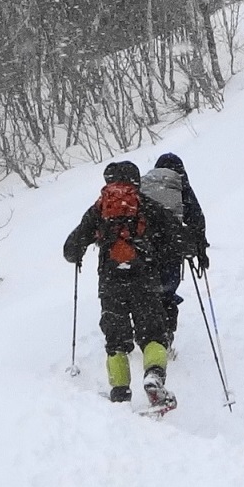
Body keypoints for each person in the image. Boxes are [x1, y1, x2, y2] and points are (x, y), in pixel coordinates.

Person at [63, 159, 187, 407]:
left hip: (111, 282)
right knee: (153, 335)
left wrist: (78, 253)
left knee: (116, 342)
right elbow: (177, 236)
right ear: (136, 181)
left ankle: (119, 394)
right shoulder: (146, 205)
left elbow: (70, 249)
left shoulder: (99, 209)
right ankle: (153, 376)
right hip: (144, 279)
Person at [137, 151, 209, 346]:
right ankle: (165, 338)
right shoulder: (179, 184)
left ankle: (145, 336)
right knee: (166, 292)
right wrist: (200, 250)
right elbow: (196, 219)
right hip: (171, 247)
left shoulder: (143, 183)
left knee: (147, 293)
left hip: (143, 248)